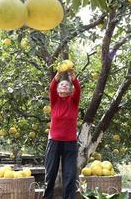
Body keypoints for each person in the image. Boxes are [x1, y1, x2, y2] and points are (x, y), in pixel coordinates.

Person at [44, 68, 81, 199]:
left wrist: (72, 76)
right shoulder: (55, 100)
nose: (64, 85)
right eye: (61, 84)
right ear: (58, 90)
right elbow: (52, 87)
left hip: (70, 143)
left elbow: (78, 88)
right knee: (50, 174)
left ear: (70, 89)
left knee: (70, 175)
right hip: (54, 142)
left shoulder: (73, 101)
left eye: (67, 84)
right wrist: (58, 76)